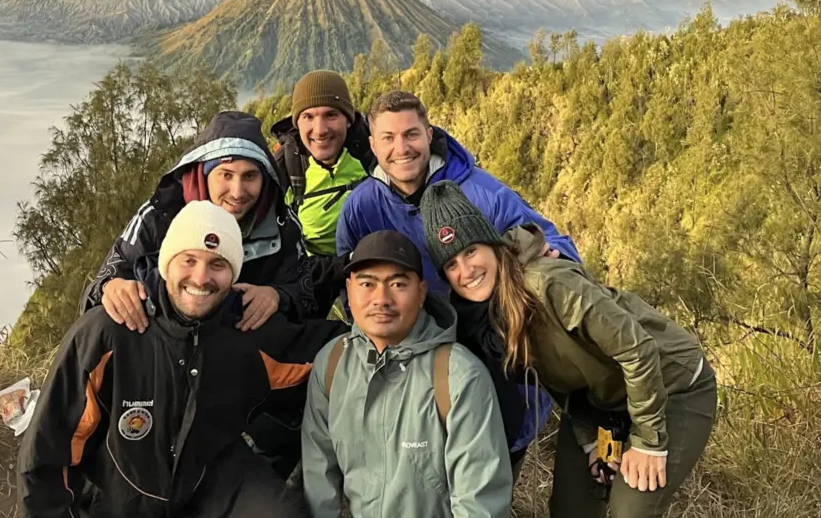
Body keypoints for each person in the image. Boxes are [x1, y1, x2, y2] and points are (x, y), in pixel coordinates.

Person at [420, 180, 717, 518]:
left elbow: (637, 349)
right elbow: (562, 377)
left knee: (629, 510)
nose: (466, 271)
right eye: (451, 264)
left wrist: (648, 441)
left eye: (470, 251)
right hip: (607, 406)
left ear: (491, 244)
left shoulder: (547, 284)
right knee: (571, 507)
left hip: (672, 385)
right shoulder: (486, 321)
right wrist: (594, 439)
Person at [19, 201, 333, 518]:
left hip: (212, 478)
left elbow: (326, 352)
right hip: (119, 492)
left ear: (234, 274)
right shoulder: (109, 329)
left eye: (218, 265)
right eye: (188, 260)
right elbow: (48, 447)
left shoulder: (244, 329)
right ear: (166, 264)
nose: (200, 278)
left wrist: (373, 326)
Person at [335, 90, 581, 466]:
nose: (402, 148)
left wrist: (547, 257)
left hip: (490, 346)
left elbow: (553, 241)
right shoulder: (362, 207)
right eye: (388, 138)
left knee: (492, 456)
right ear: (372, 143)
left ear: (429, 134)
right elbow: (347, 278)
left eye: (411, 134)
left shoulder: (477, 192)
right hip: (416, 348)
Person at [300, 230, 513, 518]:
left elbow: (479, 503)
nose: (381, 299)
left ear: (422, 293)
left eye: (398, 284)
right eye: (367, 284)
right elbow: (318, 479)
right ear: (349, 290)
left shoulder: (458, 376)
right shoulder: (333, 363)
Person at [80, 110, 317, 331]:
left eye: (250, 176)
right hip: (163, 351)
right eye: (225, 175)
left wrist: (278, 296)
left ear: (264, 180)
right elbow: (105, 281)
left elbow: (306, 295)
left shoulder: (282, 223)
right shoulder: (159, 215)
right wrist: (110, 288)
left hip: (241, 357)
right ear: (204, 174)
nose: (237, 191)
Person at [269, 70, 374, 320]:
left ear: (348, 119)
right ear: (297, 123)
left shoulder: (372, 152)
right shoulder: (285, 168)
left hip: (370, 258)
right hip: (311, 269)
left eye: (331, 115)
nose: (320, 129)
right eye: (308, 116)